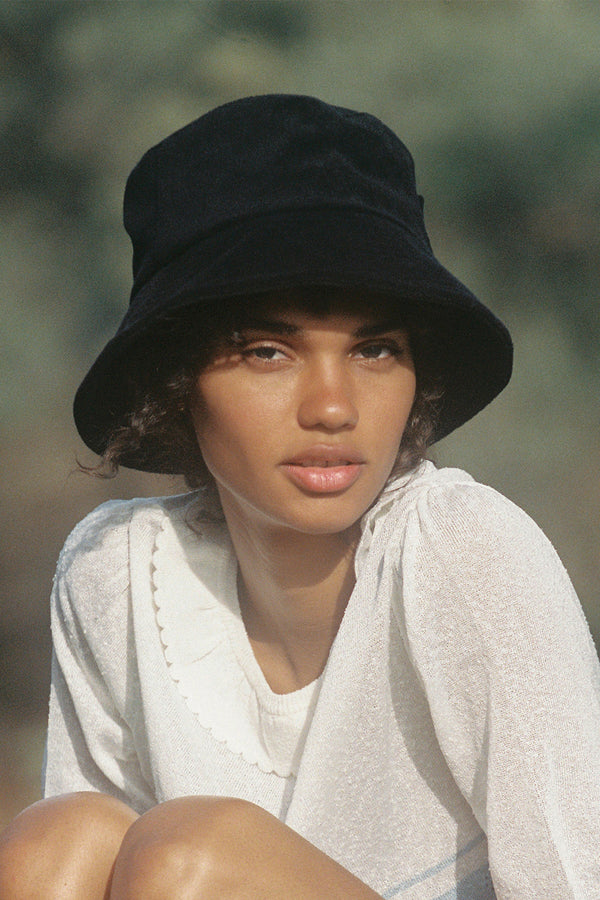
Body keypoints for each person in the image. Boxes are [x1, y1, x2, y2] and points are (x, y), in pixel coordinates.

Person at [0, 94, 598, 900]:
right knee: (54, 843)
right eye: (268, 351)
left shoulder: (465, 551)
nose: (332, 406)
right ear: (178, 385)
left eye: (376, 349)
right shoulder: (113, 574)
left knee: (192, 861)